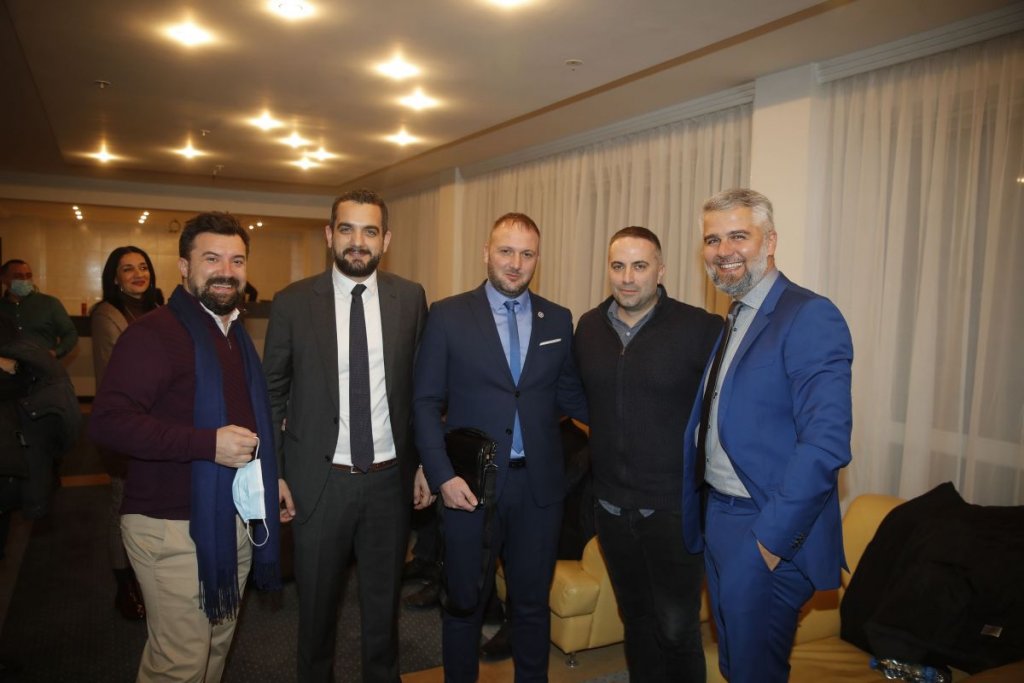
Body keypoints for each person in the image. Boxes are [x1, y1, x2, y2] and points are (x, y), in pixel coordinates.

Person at [89, 212, 281, 682]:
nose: (226, 271)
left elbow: (248, 420)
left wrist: (272, 479)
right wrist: (206, 444)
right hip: (171, 526)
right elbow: (109, 424)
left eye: (237, 260)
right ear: (183, 266)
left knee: (214, 650)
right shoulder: (154, 334)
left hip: (231, 518)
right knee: (180, 665)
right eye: (211, 258)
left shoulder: (233, 335)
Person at [682, 189, 853, 683]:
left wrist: (769, 543)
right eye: (712, 239)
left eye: (739, 235)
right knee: (735, 665)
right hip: (720, 518)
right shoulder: (736, 315)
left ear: (770, 241)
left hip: (765, 525)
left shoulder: (809, 315)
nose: (723, 250)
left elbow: (825, 443)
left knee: (755, 671)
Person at [262, 189, 429, 683]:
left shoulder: (410, 298)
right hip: (319, 483)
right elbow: (272, 394)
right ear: (329, 235)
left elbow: (421, 391)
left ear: (386, 240)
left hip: (389, 484)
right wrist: (275, 473)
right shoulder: (293, 302)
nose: (358, 242)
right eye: (347, 229)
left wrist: (424, 463)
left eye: (370, 231)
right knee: (315, 614)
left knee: (383, 615)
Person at [413, 211, 588, 682]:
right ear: (486, 253)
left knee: (531, 606)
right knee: (464, 602)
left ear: (537, 259)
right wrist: (440, 475)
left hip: (538, 490)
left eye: (527, 254)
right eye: (506, 251)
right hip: (468, 487)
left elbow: (571, 396)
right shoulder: (448, 315)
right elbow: (425, 402)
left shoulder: (558, 319)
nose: (515, 263)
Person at [574, 226, 720, 682]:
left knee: (676, 629)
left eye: (640, 266)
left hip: (673, 511)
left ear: (661, 270)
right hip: (611, 508)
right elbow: (582, 398)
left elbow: (724, 411)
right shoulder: (589, 327)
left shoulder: (701, 328)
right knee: (635, 619)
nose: (628, 278)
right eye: (618, 266)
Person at [90, 246, 163, 621]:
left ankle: (150, 575)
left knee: (153, 502)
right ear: (114, 278)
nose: (138, 274)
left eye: (143, 267)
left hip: (162, 423)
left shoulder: (158, 309)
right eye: (128, 269)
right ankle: (124, 585)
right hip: (126, 425)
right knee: (122, 503)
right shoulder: (107, 315)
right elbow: (115, 378)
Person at [0, 260, 78, 358]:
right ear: (3, 279)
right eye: (18, 276)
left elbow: (70, 333)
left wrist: (55, 352)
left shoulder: (49, 303)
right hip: (6, 365)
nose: (24, 280)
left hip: (42, 364)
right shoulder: (2, 307)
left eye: (28, 276)